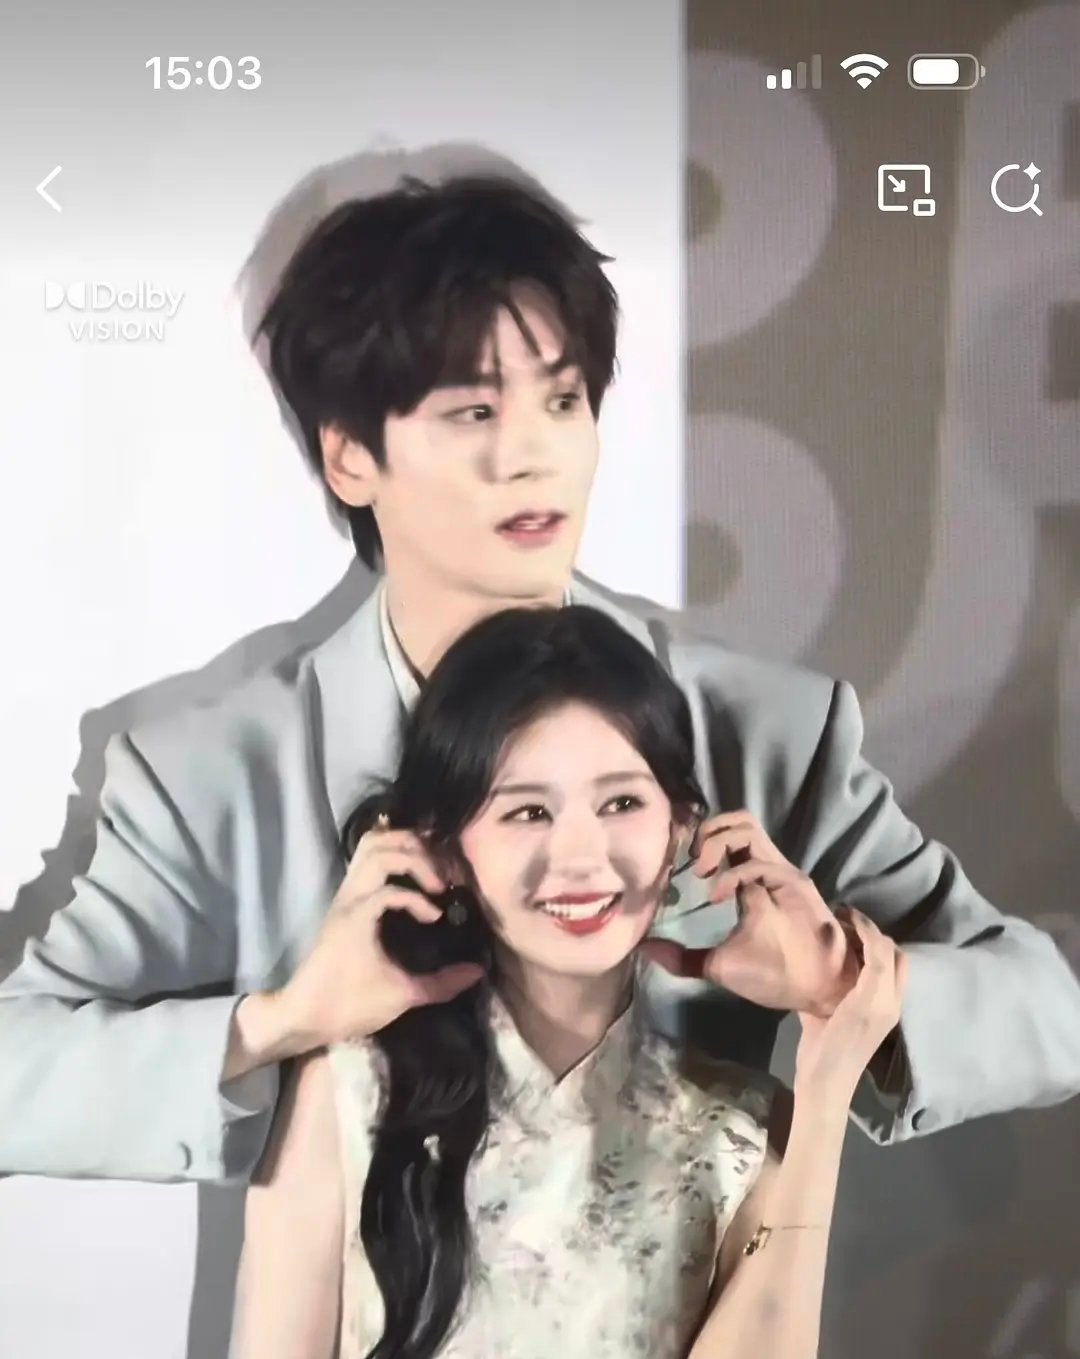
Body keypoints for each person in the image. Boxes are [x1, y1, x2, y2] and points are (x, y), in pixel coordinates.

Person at [1, 172, 1077, 1191]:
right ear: (349, 457)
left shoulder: (758, 730)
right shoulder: (214, 775)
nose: (532, 455)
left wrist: (840, 978)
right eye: (473, 412)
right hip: (335, 1328)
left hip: (697, 1325)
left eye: (563, 400)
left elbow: (1050, 1018)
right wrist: (280, 1021)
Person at [202, 602, 905, 1359]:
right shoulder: (349, 1088)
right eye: (526, 810)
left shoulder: (739, 1119)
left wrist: (828, 1067)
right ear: (445, 843)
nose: (581, 858)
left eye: (622, 802)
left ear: (686, 828)